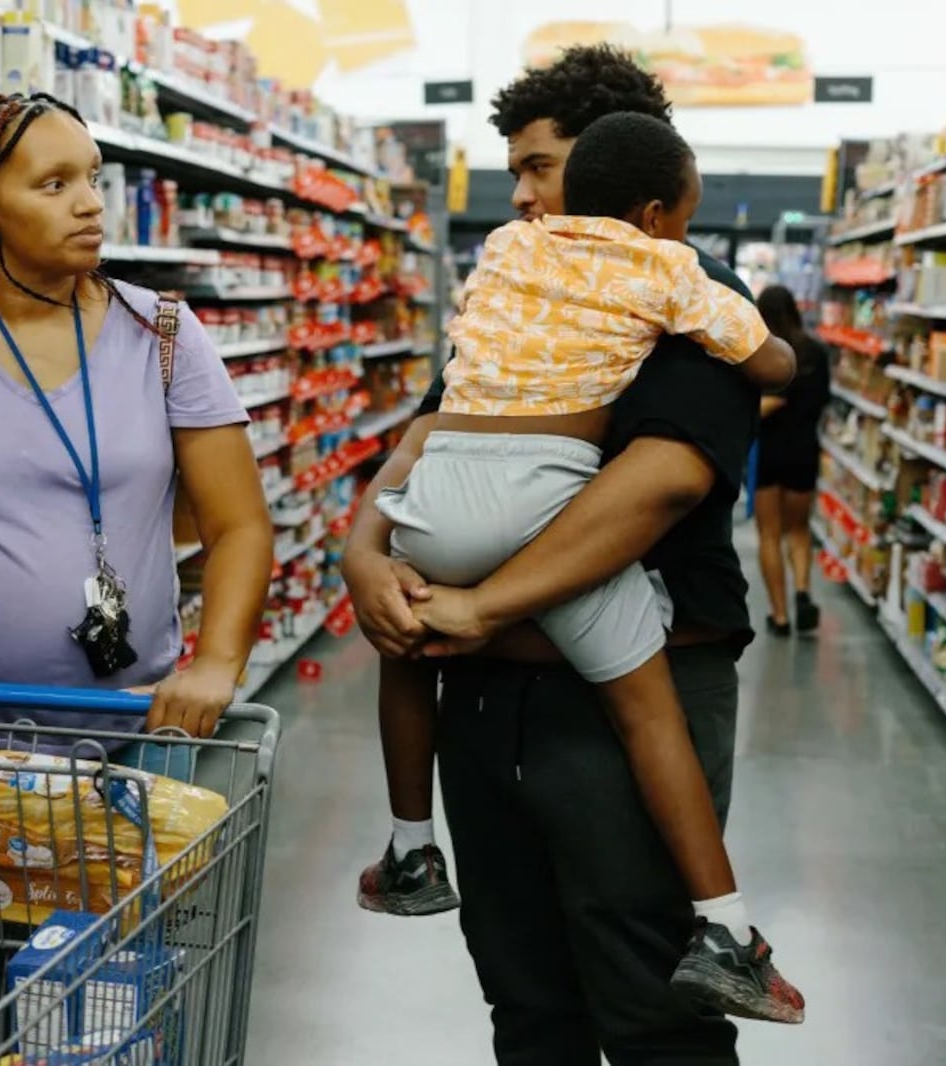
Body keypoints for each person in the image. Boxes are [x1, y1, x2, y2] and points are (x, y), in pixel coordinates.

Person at [344, 46, 773, 1063]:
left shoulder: (685, 288)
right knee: (522, 990)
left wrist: (480, 602)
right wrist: (365, 549)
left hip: (618, 704)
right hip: (486, 700)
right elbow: (436, 432)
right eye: (519, 174)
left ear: (631, 176)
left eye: (542, 168)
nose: (525, 197)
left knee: (648, 994)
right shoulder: (525, 281)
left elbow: (659, 481)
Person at [0, 92, 274, 760]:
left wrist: (216, 664)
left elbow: (239, 525)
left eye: (91, 177)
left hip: (134, 729)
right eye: (54, 185)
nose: (91, 203)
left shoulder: (165, 337)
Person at [753, 284, 831, 635]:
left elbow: (769, 404)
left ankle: (780, 616)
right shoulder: (816, 351)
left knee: (769, 534)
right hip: (805, 450)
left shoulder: (769, 354)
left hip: (771, 452)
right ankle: (802, 591)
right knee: (799, 530)